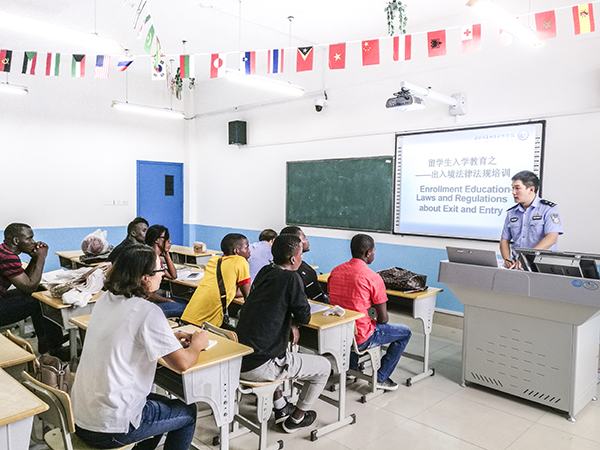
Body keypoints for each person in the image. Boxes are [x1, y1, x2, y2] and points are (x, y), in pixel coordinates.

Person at [72, 245, 209, 450]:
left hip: (82, 416)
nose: (163, 273)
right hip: (110, 427)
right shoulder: (147, 311)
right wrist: (197, 345)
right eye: (159, 269)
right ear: (145, 278)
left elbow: (126, 336)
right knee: (188, 412)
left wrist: (167, 337)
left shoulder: (106, 299)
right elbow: (183, 363)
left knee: (162, 410)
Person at [236, 234, 331, 433]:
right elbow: (304, 316)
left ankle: (281, 407)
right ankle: (296, 418)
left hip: (239, 359)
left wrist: (289, 323)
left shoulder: (264, 271)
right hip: (261, 365)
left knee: (277, 349)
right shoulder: (292, 278)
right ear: (294, 259)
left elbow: (272, 305)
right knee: (324, 367)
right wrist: (295, 322)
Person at [328, 233, 411, 391]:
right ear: (368, 253)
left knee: (351, 323)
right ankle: (381, 377)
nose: (374, 253)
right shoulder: (372, 278)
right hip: (361, 337)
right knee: (404, 333)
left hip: (338, 334)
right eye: (374, 250)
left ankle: (352, 369)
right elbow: (383, 318)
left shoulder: (335, 271)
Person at [0, 223, 65, 356]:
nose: (33, 242)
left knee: (38, 295)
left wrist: (34, 259)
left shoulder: (3, 251)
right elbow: (29, 287)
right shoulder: (8, 258)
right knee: (40, 300)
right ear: (16, 241)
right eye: (29, 239)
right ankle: (54, 347)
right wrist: (41, 258)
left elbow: (27, 283)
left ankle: (48, 342)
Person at [181, 233, 251, 327]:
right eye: (247, 247)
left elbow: (228, 290)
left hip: (188, 317)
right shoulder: (240, 261)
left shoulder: (214, 260)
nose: (249, 251)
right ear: (236, 251)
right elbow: (248, 295)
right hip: (205, 324)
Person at [500, 170, 563, 269]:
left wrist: (527, 257)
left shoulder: (548, 209)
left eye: (517, 188)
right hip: (518, 266)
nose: (513, 192)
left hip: (542, 266)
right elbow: (504, 240)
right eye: (512, 188)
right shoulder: (512, 212)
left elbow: (552, 237)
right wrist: (507, 259)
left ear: (531, 189)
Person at [145, 225, 187, 319]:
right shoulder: (150, 259)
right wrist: (168, 301)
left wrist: (167, 256)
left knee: (186, 302)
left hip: (149, 302)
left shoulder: (156, 257)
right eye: (167, 239)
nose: (170, 242)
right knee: (188, 308)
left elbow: (173, 275)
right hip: (147, 305)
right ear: (157, 240)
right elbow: (148, 295)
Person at [279, 226, 329, 304]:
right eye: (304, 237)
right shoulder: (304, 272)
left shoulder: (273, 268)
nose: (306, 240)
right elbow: (318, 299)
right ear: (295, 242)